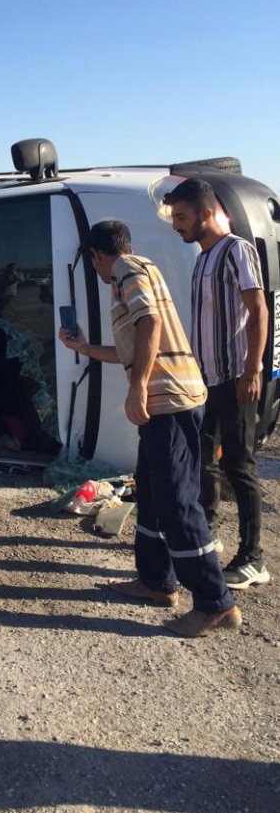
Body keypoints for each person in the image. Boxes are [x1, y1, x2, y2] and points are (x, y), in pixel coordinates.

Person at [60, 220, 240, 638]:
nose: (97, 270)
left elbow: (151, 325)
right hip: (172, 401)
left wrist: (138, 389)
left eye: (93, 262)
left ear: (97, 255)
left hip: (170, 403)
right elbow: (132, 347)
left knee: (178, 502)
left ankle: (215, 602)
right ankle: (157, 581)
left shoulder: (127, 271)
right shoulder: (140, 269)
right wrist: (83, 347)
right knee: (154, 492)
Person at [164, 177, 270, 589]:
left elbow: (257, 311)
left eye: (183, 217)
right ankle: (205, 532)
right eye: (175, 218)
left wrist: (252, 369)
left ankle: (253, 557)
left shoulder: (235, 250)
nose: (177, 225)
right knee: (202, 458)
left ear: (207, 213)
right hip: (205, 380)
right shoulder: (202, 258)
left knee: (238, 465)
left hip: (235, 378)